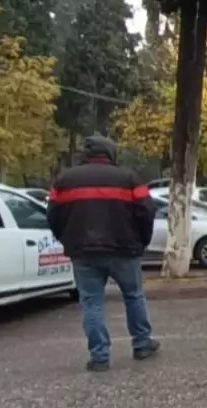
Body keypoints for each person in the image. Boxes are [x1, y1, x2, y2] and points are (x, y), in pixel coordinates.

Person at [47, 136, 160, 372]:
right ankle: (141, 344)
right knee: (134, 295)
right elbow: (147, 211)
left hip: (84, 253)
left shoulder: (65, 180)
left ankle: (99, 357)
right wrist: (141, 242)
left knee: (91, 302)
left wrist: (68, 241)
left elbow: (53, 216)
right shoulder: (128, 178)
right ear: (111, 154)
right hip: (124, 250)